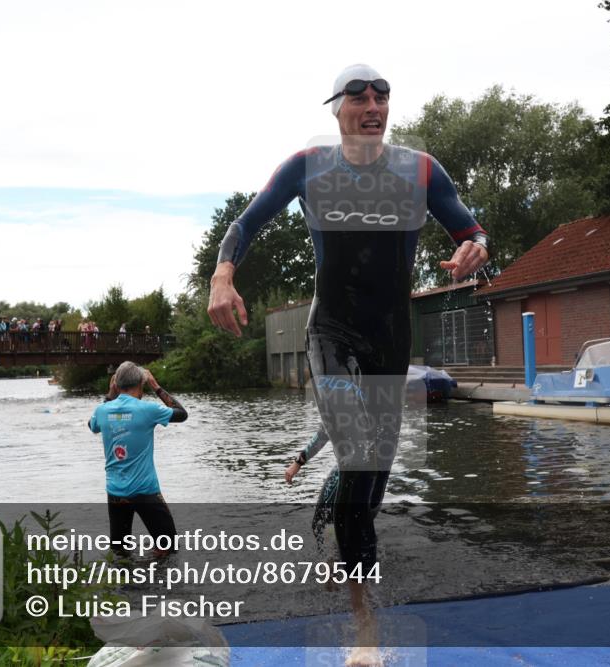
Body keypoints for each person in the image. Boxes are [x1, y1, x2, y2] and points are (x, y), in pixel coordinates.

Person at [208, 64, 489, 664]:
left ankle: (348, 549)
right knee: (357, 455)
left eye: (381, 96)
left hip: (390, 336)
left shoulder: (421, 169)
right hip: (330, 330)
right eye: (358, 96)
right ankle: (365, 629)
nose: (372, 104)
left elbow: (470, 229)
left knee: (372, 478)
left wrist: (476, 249)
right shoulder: (308, 166)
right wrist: (222, 275)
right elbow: (245, 223)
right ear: (337, 109)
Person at [87, 362, 188, 559]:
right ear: (141, 384)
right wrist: (156, 386)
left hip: (115, 492)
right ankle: (157, 574)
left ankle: (125, 578)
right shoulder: (148, 410)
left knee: (119, 552)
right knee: (169, 548)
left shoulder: (102, 410)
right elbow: (182, 414)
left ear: (116, 384)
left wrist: (110, 395)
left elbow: (92, 426)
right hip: (145, 491)